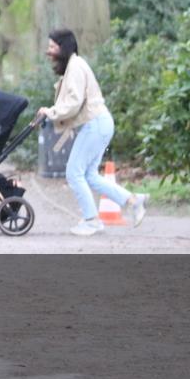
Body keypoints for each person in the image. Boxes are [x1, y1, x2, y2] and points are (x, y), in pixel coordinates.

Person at [36, 28, 147, 236]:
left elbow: (74, 102)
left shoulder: (76, 66)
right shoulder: (73, 66)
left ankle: (92, 221)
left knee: (73, 172)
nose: (48, 51)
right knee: (90, 175)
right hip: (98, 123)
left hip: (95, 124)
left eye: (52, 47)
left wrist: (50, 112)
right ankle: (133, 201)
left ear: (63, 47)